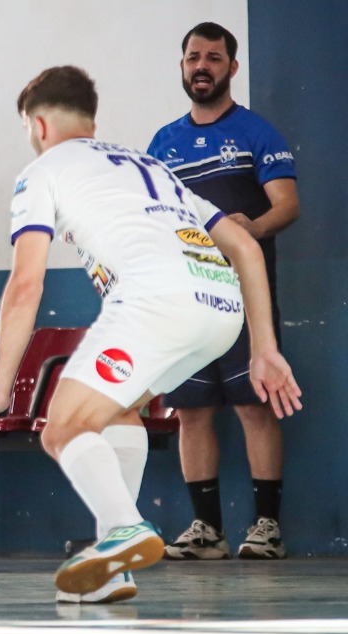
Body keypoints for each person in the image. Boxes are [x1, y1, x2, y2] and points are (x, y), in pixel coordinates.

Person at [0, 65, 301, 604]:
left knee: (62, 428)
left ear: (40, 125)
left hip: (154, 301)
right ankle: (112, 567)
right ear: (90, 121)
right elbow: (242, 244)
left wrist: (0, 386)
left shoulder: (44, 169)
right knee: (118, 411)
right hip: (219, 309)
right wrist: (263, 347)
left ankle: (125, 526)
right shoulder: (150, 165)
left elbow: (25, 284)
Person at [147, 22, 300, 561]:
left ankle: (266, 528)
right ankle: (206, 530)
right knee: (191, 411)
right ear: (183, 66)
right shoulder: (162, 144)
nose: (202, 66)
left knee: (253, 404)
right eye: (193, 57)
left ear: (232, 67)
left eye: (213, 57)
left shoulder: (258, 132)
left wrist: (248, 231)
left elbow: (287, 204)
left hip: (243, 300)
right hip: (185, 304)